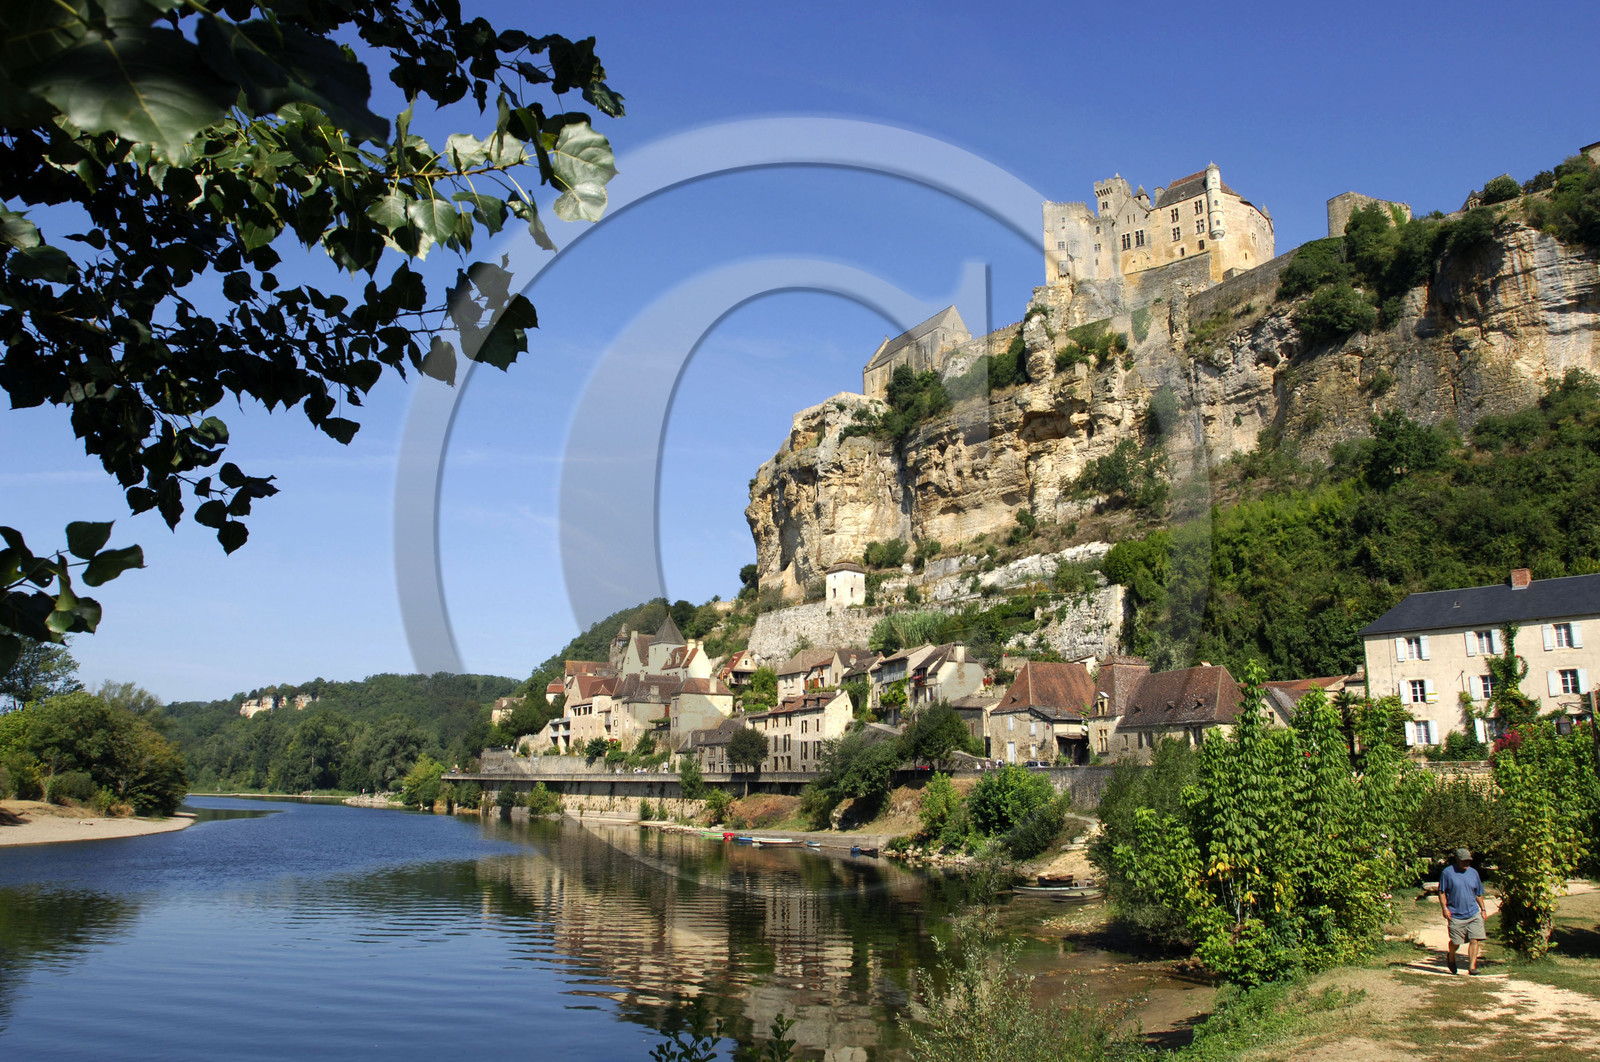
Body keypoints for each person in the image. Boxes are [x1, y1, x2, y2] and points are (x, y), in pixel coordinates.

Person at [1439, 847, 1488, 975]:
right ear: (1457, 860)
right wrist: (1445, 908)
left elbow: (1478, 893)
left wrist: (1483, 909)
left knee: (1474, 939)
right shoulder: (1447, 873)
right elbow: (1442, 892)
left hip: (1473, 913)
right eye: (1464, 861)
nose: (1466, 863)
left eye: (1468, 861)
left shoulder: (1474, 873)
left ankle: (1472, 967)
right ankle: (1451, 956)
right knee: (1456, 942)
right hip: (1455, 914)